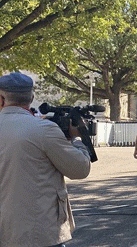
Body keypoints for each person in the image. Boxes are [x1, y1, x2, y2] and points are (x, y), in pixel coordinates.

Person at [0, 72, 91, 247]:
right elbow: (80, 169)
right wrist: (77, 140)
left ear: (1, 99)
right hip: (39, 232)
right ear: (31, 97)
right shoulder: (44, 130)